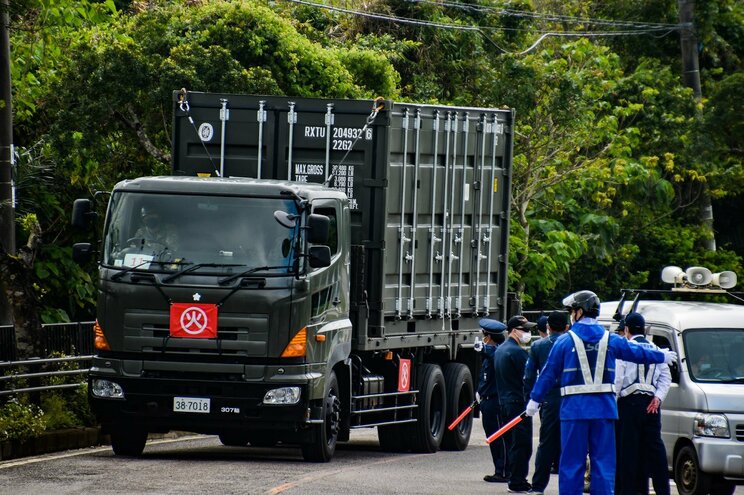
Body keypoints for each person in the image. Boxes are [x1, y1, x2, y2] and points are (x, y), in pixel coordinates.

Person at [525, 290, 677, 495]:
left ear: (579, 312)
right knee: (603, 466)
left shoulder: (564, 341)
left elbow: (548, 374)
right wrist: (660, 356)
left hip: (574, 412)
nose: (571, 315)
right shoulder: (611, 339)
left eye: (572, 311)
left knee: (571, 464)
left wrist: (535, 400)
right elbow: (636, 352)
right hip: (604, 411)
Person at [614, 312, 671, 495]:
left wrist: (613, 404)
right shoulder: (656, 349)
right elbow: (665, 378)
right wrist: (658, 398)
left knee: (628, 451)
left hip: (629, 404)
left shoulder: (626, 348)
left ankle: (629, 491)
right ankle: (662, 490)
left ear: (627, 330)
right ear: (644, 329)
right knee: (654, 450)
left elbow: (618, 380)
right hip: (651, 405)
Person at [524, 311, 568, 495]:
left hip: (548, 399)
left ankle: (538, 486)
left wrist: (532, 398)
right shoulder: (572, 344)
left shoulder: (538, 346)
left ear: (548, 327)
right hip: (571, 398)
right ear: (567, 327)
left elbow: (529, 376)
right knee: (572, 443)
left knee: (546, 444)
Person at [494, 315, 535, 493]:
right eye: (524, 329)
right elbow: (527, 379)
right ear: (513, 330)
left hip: (504, 402)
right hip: (518, 403)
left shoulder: (500, 349)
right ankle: (518, 481)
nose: (528, 333)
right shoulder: (518, 352)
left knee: (512, 443)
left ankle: (514, 477)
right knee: (522, 445)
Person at [476, 318, 510, 483]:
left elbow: (493, 355)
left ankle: (502, 471)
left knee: (498, 437)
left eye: (484, 335)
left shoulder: (498, 353)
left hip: (495, 401)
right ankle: (500, 469)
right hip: (488, 400)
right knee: (493, 436)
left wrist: (485, 349)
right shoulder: (491, 353)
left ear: (488, 336)